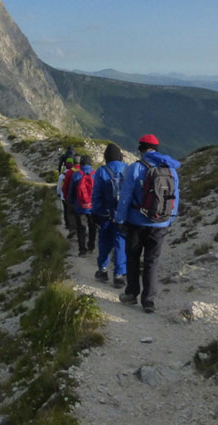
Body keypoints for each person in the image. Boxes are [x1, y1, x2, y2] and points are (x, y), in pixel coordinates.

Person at [114, 134, 180, 314]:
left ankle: (131, 293)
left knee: (133, 257)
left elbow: (125, 196)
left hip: (137, 221)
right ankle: (149, 301)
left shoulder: (135, 168)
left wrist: (120, 219)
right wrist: (170, 217)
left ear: (141, 148)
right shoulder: (171, 169)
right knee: (152, 261)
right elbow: (175, 196)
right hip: (161, 223)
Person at [92, 143, 127, 287]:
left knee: (104, 242)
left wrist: (96, 213)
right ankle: (119, 275)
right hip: (122, 216)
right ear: (120, 156)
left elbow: (96, 195)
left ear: (106, 157)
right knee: (121, 243)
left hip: (105, 215)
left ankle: (103, 269)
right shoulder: (127, 169)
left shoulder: (101, 171)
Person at [68, 154, 96, 256]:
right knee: (92, 227)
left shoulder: (76, 175)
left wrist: (71, 203)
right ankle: (91, 246)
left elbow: (71, 191)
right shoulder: (95, 174)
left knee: (81, 228)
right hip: (93, 207)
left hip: (79, 206)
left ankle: (82, 250)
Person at [61, 155, 81, 239]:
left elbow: (65, 186)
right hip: (81, 197)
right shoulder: (84, 171)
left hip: (71, 197)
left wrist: (65, 196)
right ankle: (82, 229)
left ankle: (72, 228)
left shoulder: (69, 172)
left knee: (70, 213)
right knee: (80, 214)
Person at [57, 157, 74, 233]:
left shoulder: (62, 176)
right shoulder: (75, 174)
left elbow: (59, 186)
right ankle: (73, 225)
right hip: (72, 196)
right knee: (72, 211)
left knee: (66, 210)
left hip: (64, 195)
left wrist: (58, 193)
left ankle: (67, 224)